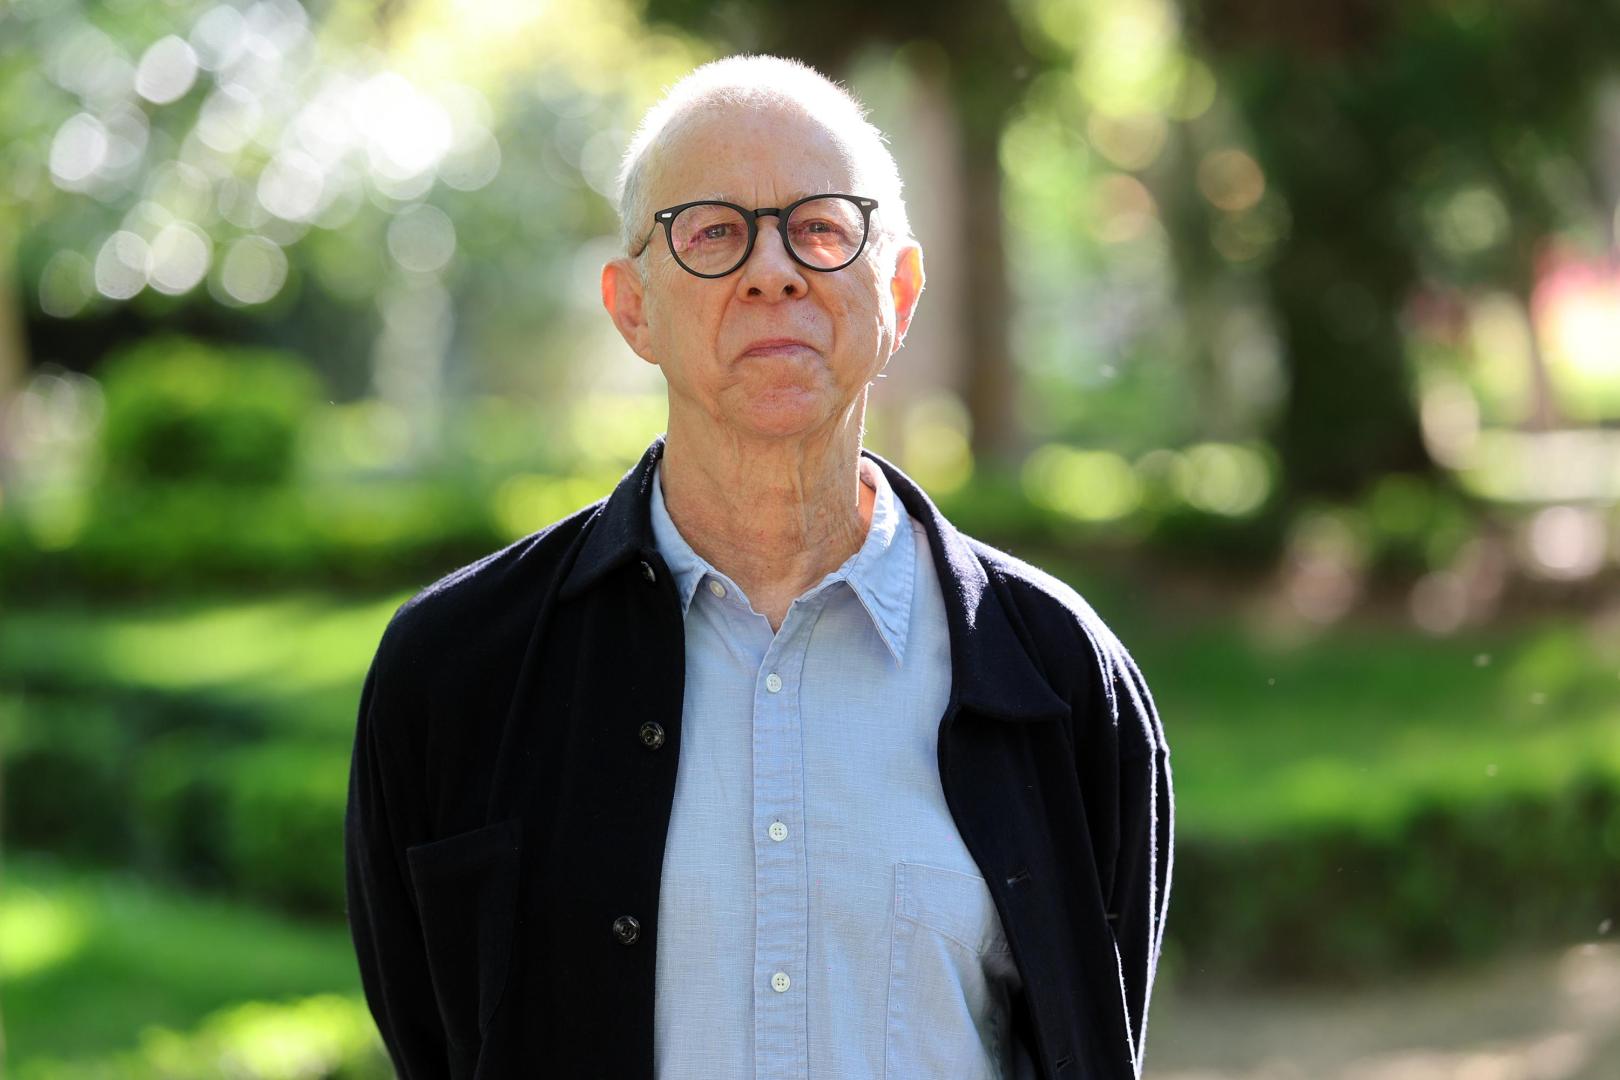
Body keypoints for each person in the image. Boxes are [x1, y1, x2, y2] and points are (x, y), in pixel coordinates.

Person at [344, 52, 1173, 1080]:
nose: (772, 269)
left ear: (899, 292)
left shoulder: (1058, 675)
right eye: (713, 232)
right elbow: (435, 1039)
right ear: (632, 305)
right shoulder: (454, 672)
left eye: (822, 227)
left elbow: (1092, 1033)